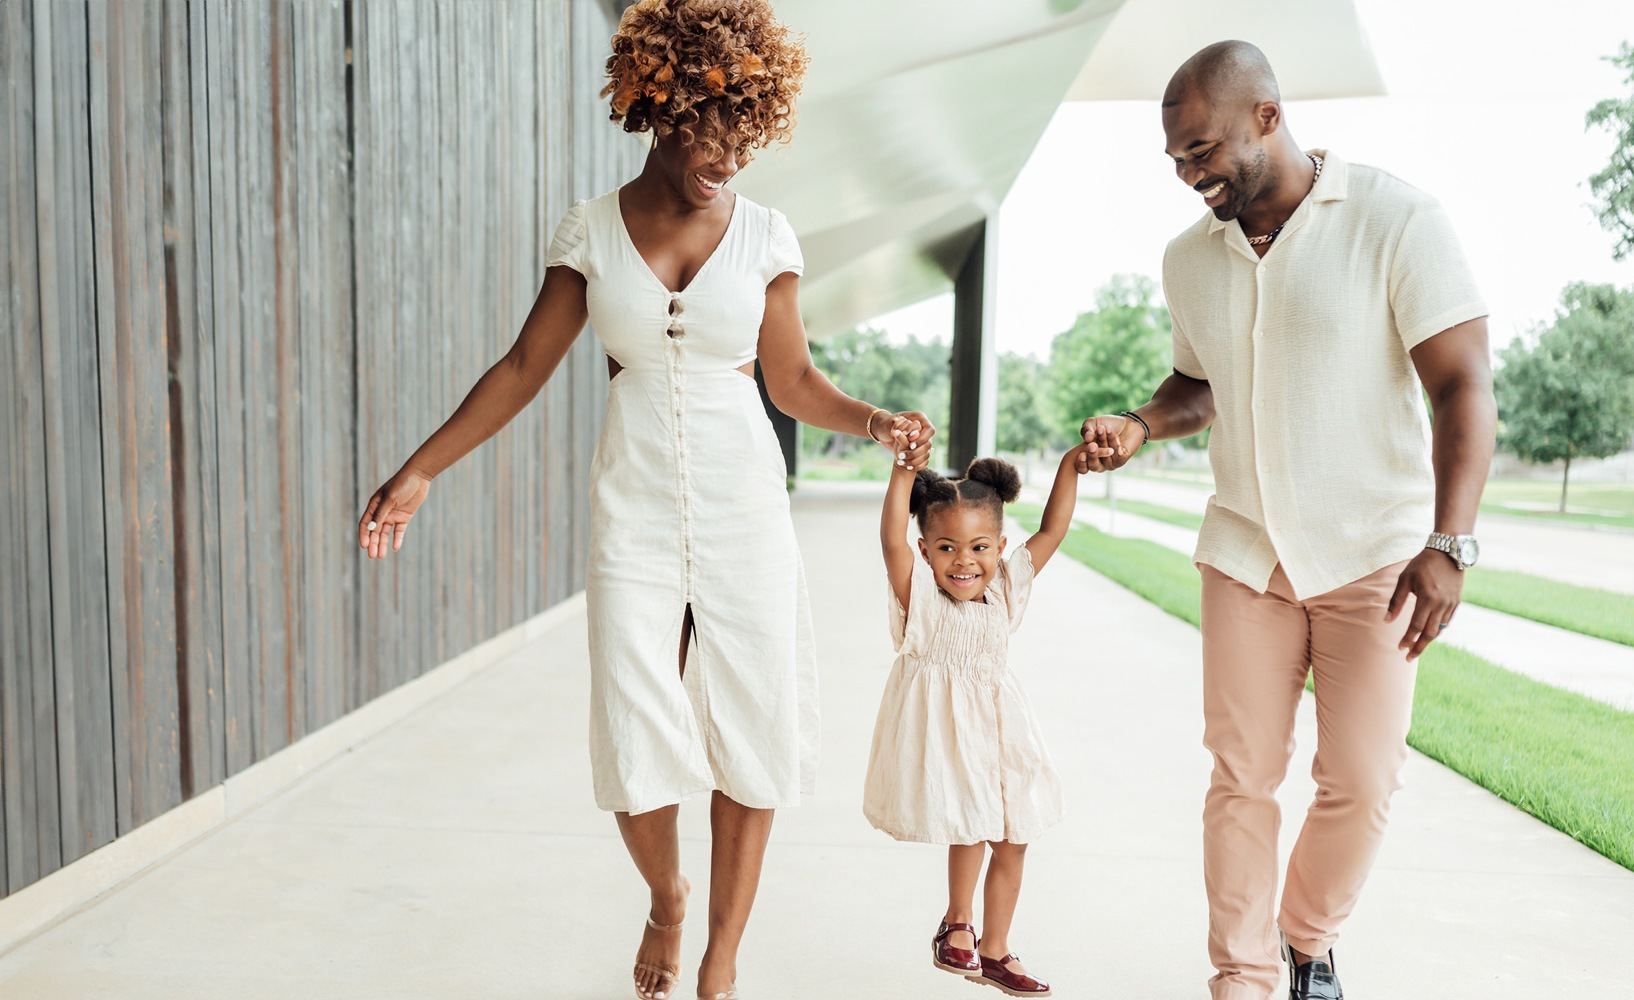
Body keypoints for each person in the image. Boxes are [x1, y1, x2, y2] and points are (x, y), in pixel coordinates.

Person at [355, 4, 935, 998]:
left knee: (753, 723)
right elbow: (524, 365)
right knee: (632, 727)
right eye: (712, 131)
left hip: (744, 501)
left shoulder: (766, 232)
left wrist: (875, 419)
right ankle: (668, 898)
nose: (729, 159)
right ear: (660, 105)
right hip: (636, 505)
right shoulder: (590, 228)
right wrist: (421, 469)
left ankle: (720, 956)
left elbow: (793, 380)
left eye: (747, 139)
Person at [1074, 40, 1496, 1000]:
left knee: (1363, 780)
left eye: (1203, 151)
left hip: (1376, 554)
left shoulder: (1397, 219)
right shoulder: (1190, 258)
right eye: (1176, 159)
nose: (1190, 175)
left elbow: (1463, 386)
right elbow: (1199, 384)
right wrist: (1140, 422)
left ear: (1267, 116)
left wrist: (1449, 543)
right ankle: (1243, 974)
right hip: (1246, 552)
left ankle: (1307, 941)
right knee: (1242, 776)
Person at [864, 448, 1091, 998]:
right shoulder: (919, 595)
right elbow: (891, 539)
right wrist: (902, 471)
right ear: (925, 551)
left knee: (1015, 837)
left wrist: (1070, 465)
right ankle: (957, 924)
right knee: (971, 822)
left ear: (1000, 546)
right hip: (950, 736)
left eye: (980, 547)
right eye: (946, 547)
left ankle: (995, 949)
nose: (964, 561)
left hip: (1003, 728)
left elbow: (1053, 530)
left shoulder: (1005, 588)